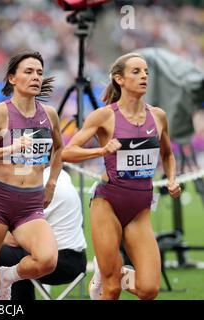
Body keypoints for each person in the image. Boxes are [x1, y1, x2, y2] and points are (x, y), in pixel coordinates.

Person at [62, 52, 181, 300]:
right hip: (108, 203)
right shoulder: (104, 116)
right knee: (112, 288)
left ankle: (115, 272)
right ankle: (109, 275)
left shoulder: (158, 116)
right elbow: (67, 152)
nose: (144, 76)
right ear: (120, 79)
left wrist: (171, 178)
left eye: (146, 71)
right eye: (136, 72)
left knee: (149, 290)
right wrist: (101, 149)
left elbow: (168, 155)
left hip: (140, 209)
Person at [0, 51, 64, 300]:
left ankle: (8, 276)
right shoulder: (0, 113)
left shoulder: (49, 114)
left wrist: (51, 182)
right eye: (29, 72)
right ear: (12, 78)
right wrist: (11, 148)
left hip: (30, 206)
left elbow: (60, 148)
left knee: (47, 260)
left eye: (40, 73)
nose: (35, 77)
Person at [0, 168, 87, 299]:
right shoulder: (60, 175)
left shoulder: (41, 186)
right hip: (78, 260)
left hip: (59, 263)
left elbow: (15, 239)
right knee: (16, 254)